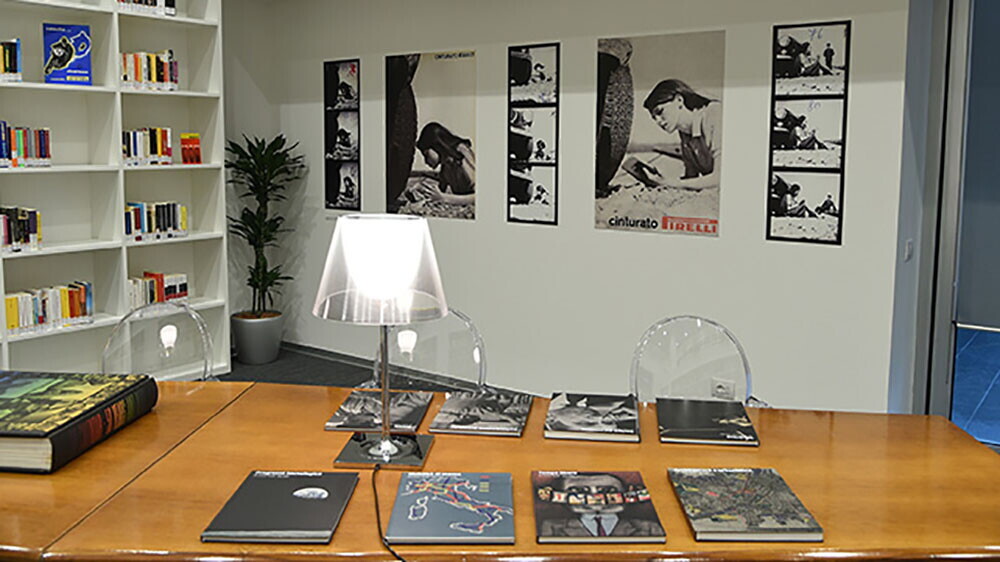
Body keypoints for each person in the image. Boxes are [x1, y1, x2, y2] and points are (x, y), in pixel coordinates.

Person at [640, 78, 722, 190]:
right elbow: (691, 178)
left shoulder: (713, 114)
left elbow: (719, 177)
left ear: (679, 100)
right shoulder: (685, 133)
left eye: (660, 112)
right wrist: (662, 180)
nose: (658, 121)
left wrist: (672, 183)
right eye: (654, 118)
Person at [538, 473, 664, 538]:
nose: (595, 497)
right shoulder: (552, 527)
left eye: (607, 490)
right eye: (580, 491)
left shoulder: (649, 527)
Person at [414, 122, 476, 205]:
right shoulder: (446, 166)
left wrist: (445, 198)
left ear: (436, 145)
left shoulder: (461, 156)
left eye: (426, 154)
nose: (426, 161)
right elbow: (438, 191)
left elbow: (479, 196)